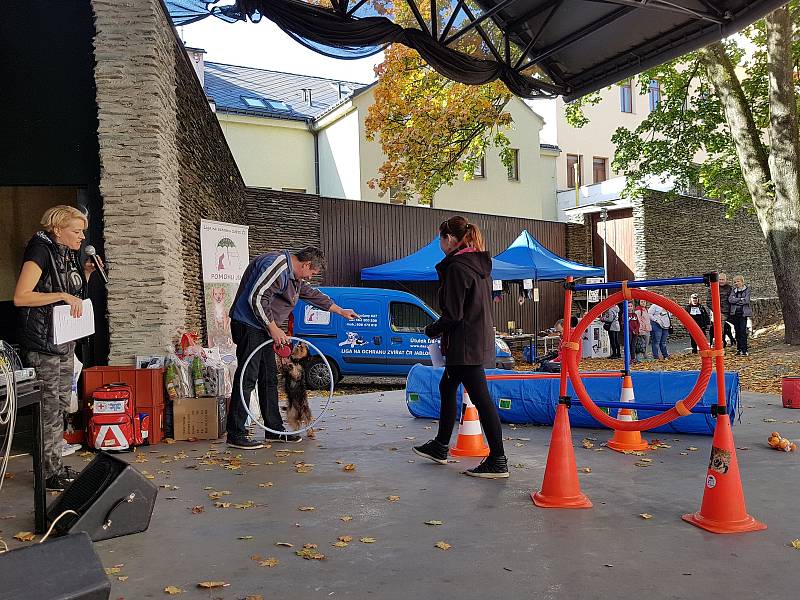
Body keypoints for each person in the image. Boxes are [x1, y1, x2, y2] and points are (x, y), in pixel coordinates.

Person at [226, 247, 359, 449]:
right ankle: (236, 433)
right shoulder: (277, 266)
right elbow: (256, 297)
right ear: (306, 265)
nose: (311, 276)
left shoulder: (294, 278)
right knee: (248, 377)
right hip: (248, 324)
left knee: (269, 378)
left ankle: (274, 430)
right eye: (312, 272)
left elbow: (311, 294)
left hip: (263, 327)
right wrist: (273, 328)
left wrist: (340, 310)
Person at [13, 205, 103, 491]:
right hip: (45, 345)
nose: (81, 237)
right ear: (57, 229)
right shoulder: (40, 250)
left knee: (61, 405)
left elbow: (69, 296)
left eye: (82, 231)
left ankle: (54, 466)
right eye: (76, 231)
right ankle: (47, 473)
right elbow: (22, 297)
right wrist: (62, 294)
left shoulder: (64, 252)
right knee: (49, 409)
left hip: (64, 340)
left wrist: (85, 276)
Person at [413, 217, 508, 478]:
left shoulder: (457, 268)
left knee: (481, 399)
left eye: (440, 239)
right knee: (447, 387)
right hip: (474, 339)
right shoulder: (477, 265)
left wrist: (432, 329)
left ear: (450, 239)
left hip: (464, 344)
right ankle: (440, 446)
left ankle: (498, 459)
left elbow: (453, 314)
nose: (439, 244)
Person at [707, 272, 736, 348]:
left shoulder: (730, 288)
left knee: (740, 326)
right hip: (720, 312)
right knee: (719, 331)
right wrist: (717, 311)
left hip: (730, 311)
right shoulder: (713, 288)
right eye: (720, 279)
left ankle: (739, 344)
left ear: (726, 280)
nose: (721, 281)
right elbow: (709, 302)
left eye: (723, 279)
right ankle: (720, 346)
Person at [728, 275, 752, 356]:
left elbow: (746, 300)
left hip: (743, 314)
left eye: (738, 281)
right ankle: (739, 349)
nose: (736, 283)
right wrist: (740, 299)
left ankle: (744, 349)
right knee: (737, 331)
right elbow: (730, 300)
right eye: (735, 282)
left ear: (742, 282)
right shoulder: (733, 290)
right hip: (735, 314)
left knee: (743, 331)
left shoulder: (747, 289)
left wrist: (737, 300)